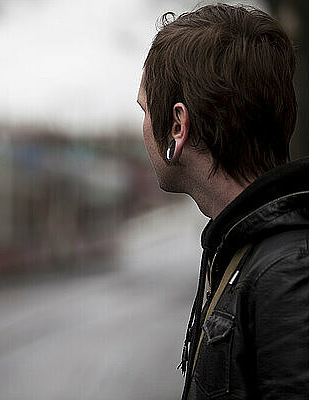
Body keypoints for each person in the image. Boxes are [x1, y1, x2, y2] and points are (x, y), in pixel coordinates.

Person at [137, 3, 309, 400]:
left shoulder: (287, 271)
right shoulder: (248, 250)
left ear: (177, 127)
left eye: (145, 110)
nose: (144, 128)